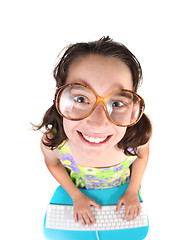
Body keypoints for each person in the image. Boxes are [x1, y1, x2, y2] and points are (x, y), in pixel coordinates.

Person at [35, 36, 152, 227]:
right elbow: (53, 164)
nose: (98, 123)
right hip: (81, 190)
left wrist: (132, 191)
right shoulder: (54, 142)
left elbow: (142, 156)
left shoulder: (135, 137)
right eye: (81, 99)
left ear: (132, 109)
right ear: (59, 99)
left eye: (117, 103)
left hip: (122, 189)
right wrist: (76, 196)